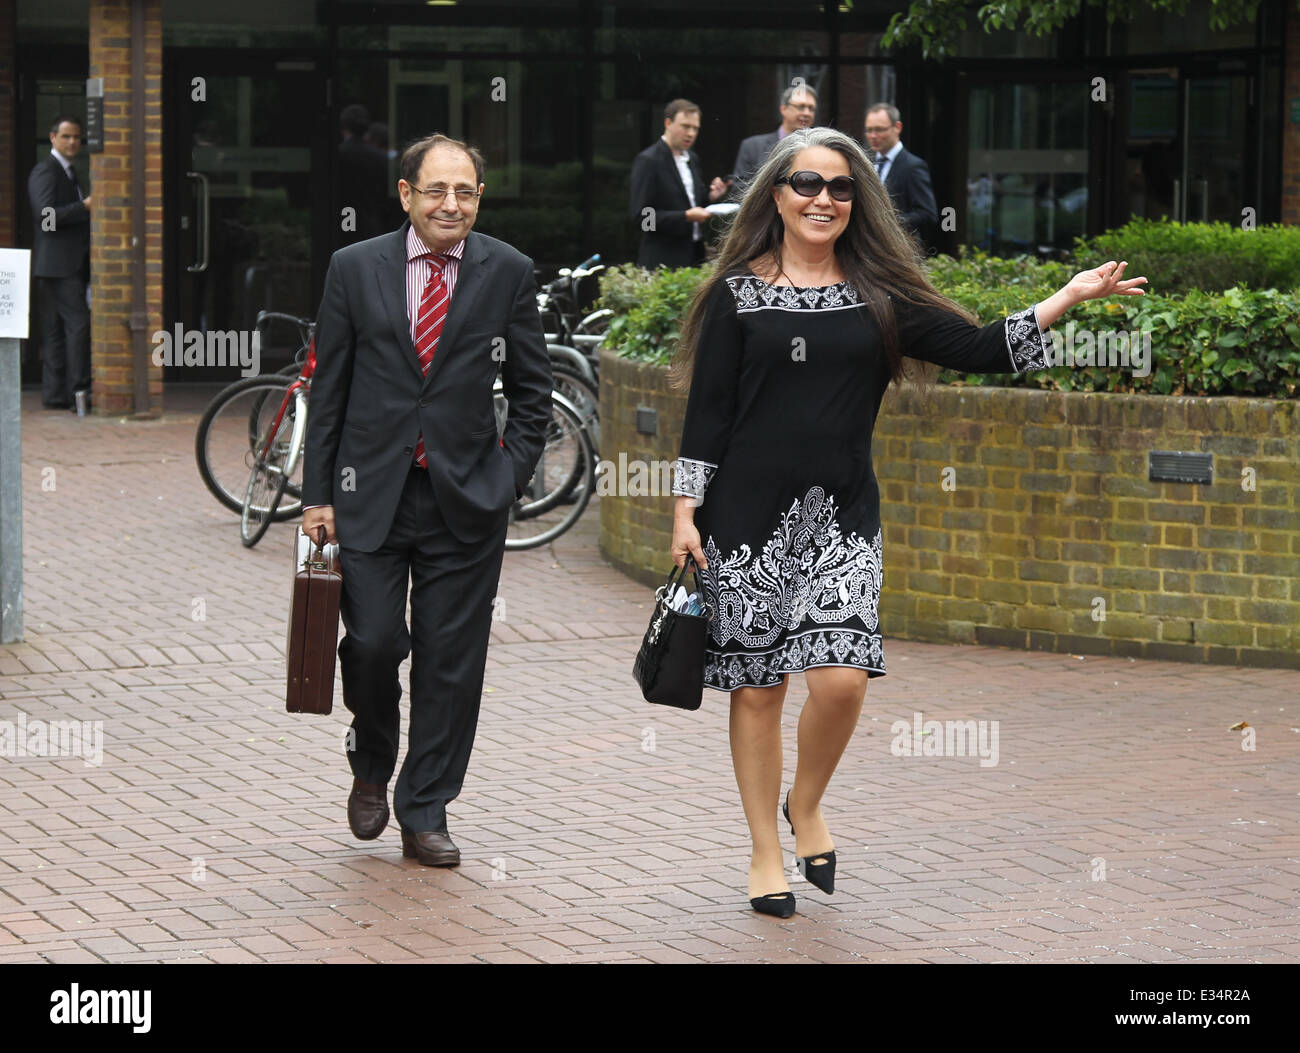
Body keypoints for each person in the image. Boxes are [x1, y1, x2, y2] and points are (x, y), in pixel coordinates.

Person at [667, 126, 1145, 917]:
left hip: (843, 519)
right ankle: (762, 851)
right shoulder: (736, 296)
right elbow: (707, 412)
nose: (824, 199)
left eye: (841, 188)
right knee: (756, 689)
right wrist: (685, 510)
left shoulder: (878, 294)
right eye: (807, 185)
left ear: (858, 202)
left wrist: (1069, 298)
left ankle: (806, 803)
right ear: (776, 197)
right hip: (743, 520)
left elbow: (984, 347)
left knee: (844, 681)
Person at [302, 133, 553, 866]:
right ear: (406, 194)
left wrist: (510, 477)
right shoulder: (354, 267)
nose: (452, 204)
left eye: (466, 191)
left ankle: (426, 807)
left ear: (479, 197)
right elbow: (332, 388)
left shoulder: (507, 270)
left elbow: (535, 391)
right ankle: (372, 755)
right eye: (437, 190)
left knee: (452, 662)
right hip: (368, 494)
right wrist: (318, 495)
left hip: (465, 500)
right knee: (374, 643)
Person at [28, 115, 92, 411]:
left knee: (54, 332)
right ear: (53, 138)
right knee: (77, 326)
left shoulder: (67, 172)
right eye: (66, 136)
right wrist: (84, 207)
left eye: (77, 137)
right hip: (60, 266)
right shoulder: (47, 171)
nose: (72, 142)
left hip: (55, 265)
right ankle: (79, 391)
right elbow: (46, 217)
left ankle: (56, 396)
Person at [629, 99, 728, 269]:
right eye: (685, 126)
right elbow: (643, 219)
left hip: (694, 256)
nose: (690, 133)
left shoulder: (692, 159)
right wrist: (685, 217)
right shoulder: (649, 161)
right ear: (668, 123)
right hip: (662, 261)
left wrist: (710, 196)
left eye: (695, 128)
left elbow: (692, 204)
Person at [864, 103, 939, 253]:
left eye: (879, 129)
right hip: (870, 250)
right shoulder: (868, 163)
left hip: (899, 252)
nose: (873, 136)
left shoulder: (913, 166)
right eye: (869, 130)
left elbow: (928, 214)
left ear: (897, 127)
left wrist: (888, 221)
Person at [731, 83, 818, 190]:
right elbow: (739, 190)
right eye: (801, 107)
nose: (807, 113)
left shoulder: (820, 150)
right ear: (783, 109)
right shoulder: (752, 146)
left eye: (811, 108)